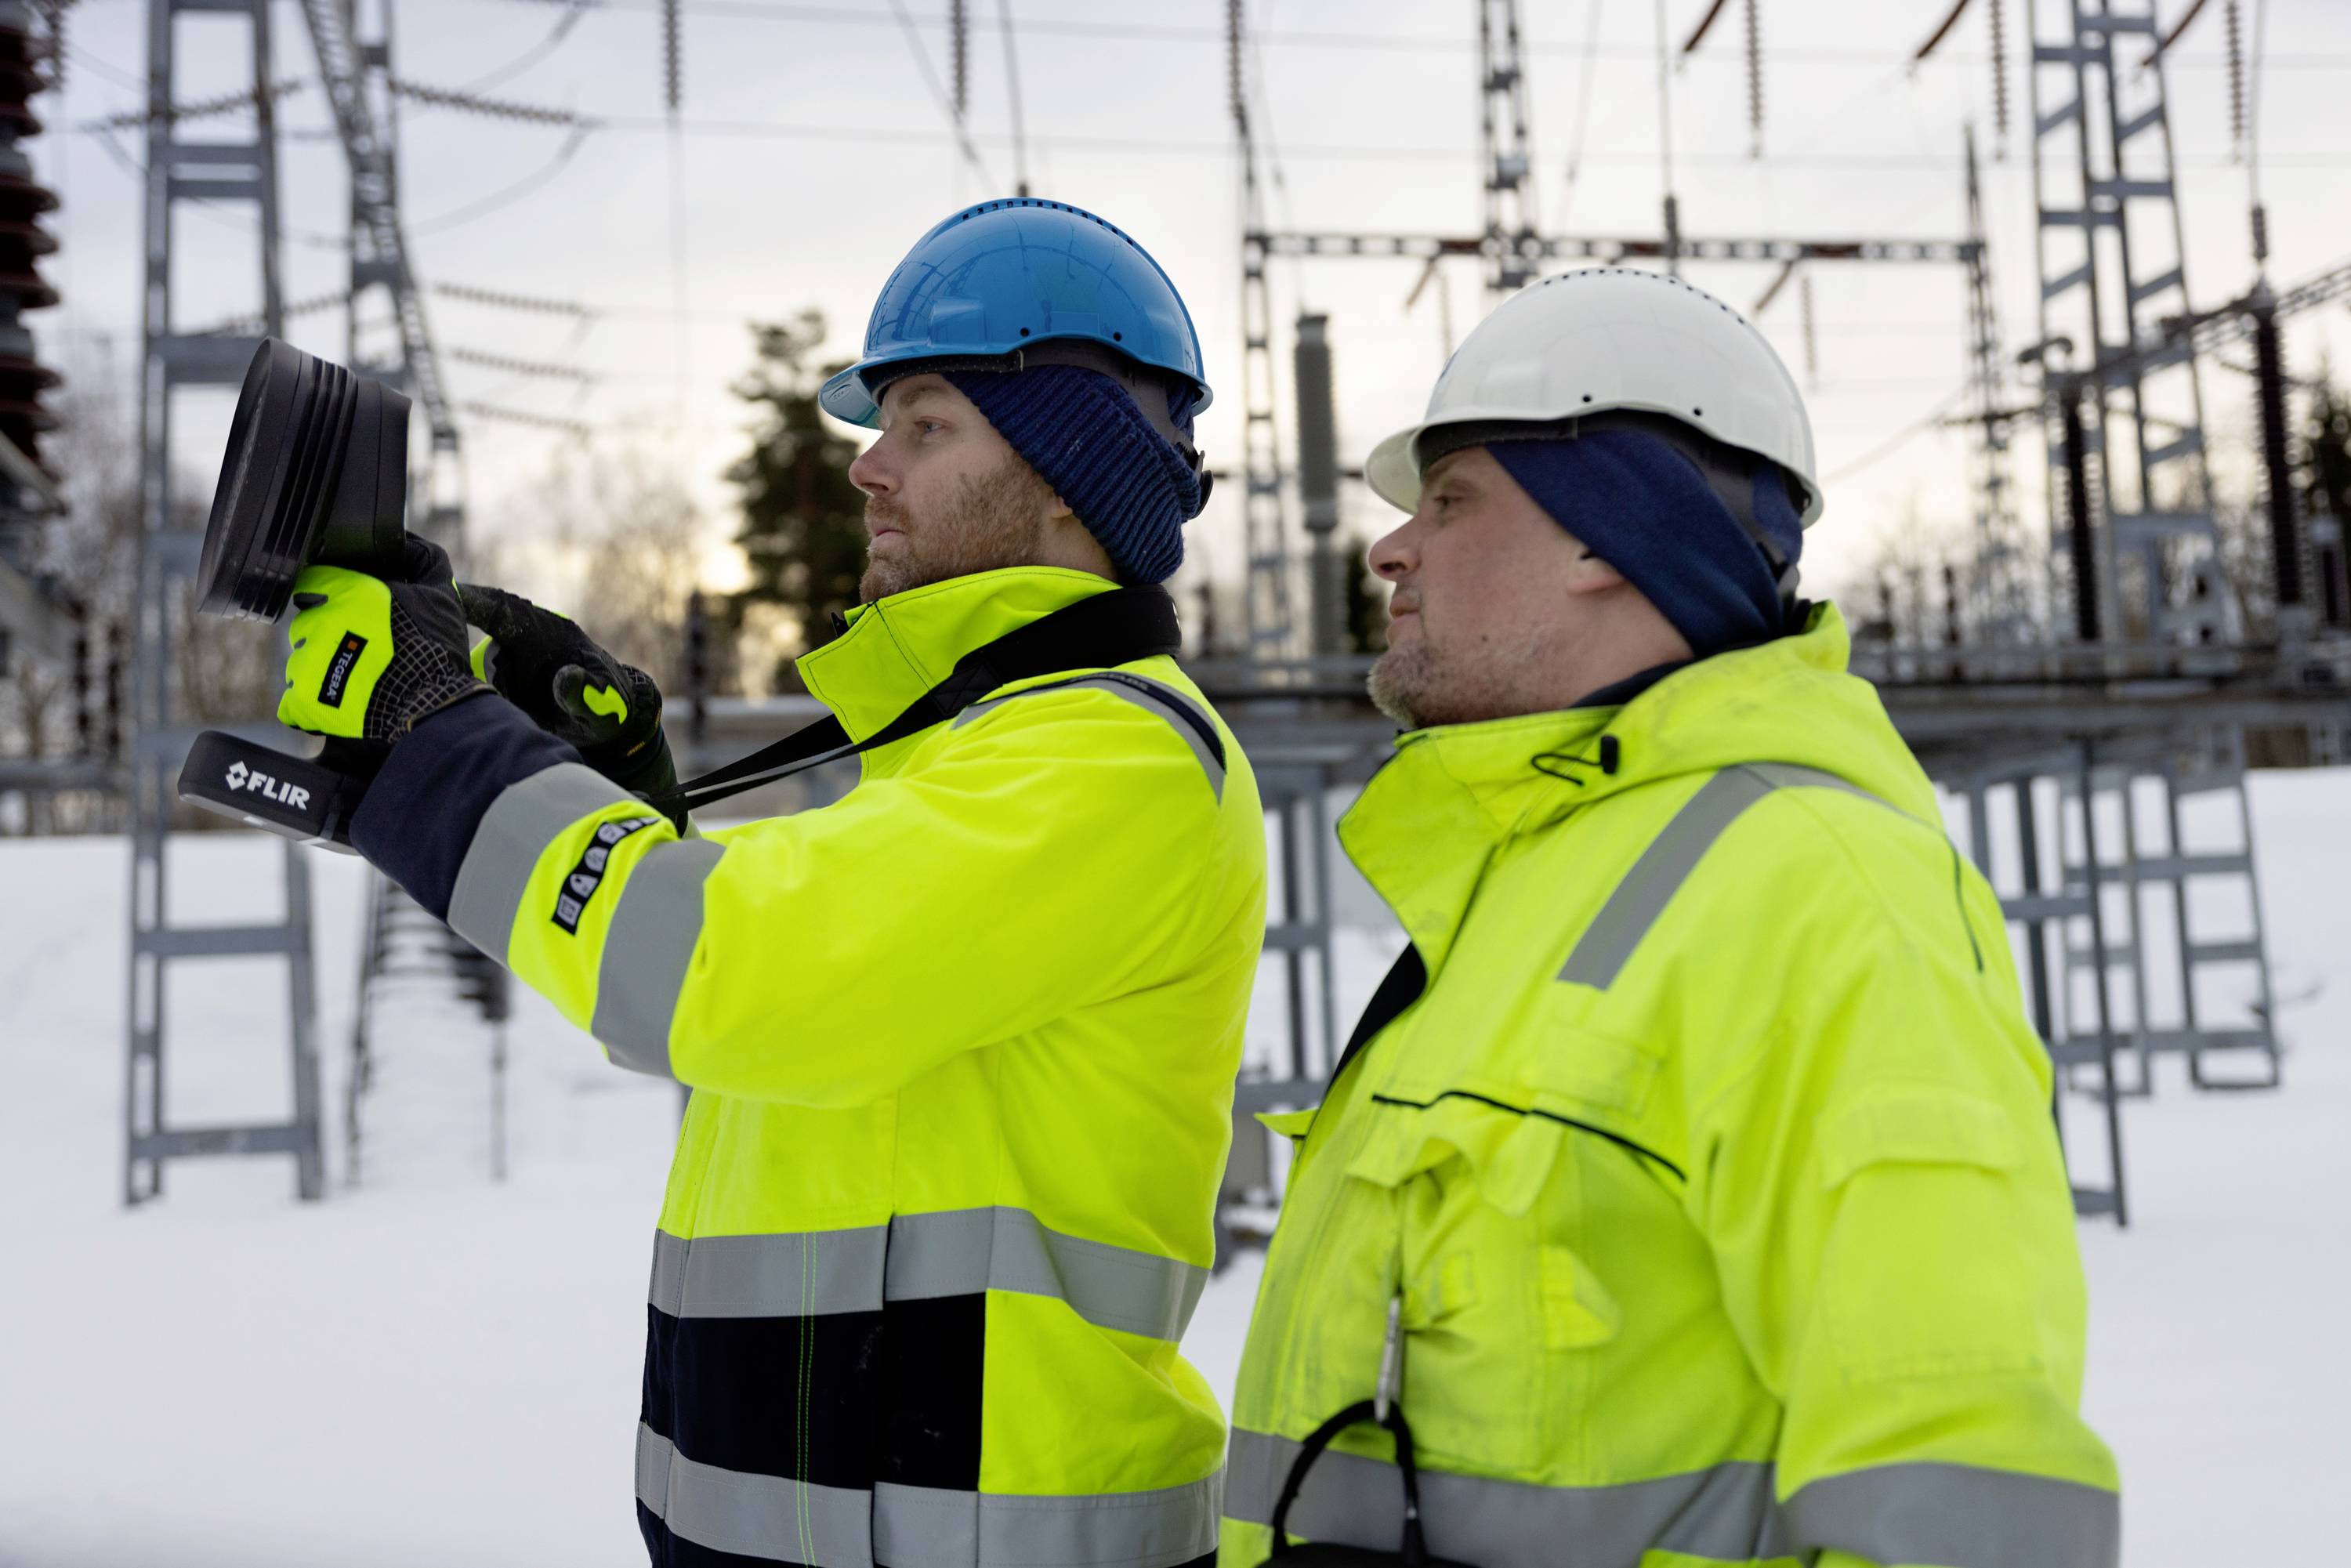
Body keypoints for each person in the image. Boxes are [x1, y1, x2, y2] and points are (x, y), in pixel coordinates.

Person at [275, 198, 1267, 1568]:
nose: (868, 468)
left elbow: (726, 975)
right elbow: (776, 1036)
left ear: (1063, 475)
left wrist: (440, 735)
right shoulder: (956, 762)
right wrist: (607, 786)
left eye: (925, 424)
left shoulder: (1111, 759)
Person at [1217, 268, 2119, 1568]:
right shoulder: (1523, 887)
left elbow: (1966, 1506)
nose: (1391, 547)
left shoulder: (1821, 895)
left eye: (1452, 499)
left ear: (1609, 535)